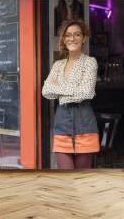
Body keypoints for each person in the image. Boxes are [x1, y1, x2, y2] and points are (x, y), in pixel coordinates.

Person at [42, 19, 99, 169]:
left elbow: (87, 92)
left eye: (77, 34)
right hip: (62, 123)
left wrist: (59, 89)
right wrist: (74, 88)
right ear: (63, 39)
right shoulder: (58, 65)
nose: (72, 38)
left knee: (82, 178)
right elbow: (46, 90)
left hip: (85, 123)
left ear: (83, 38)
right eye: (68, 35)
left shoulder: (90, 62)